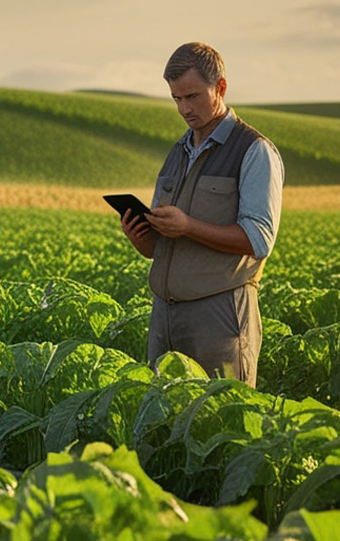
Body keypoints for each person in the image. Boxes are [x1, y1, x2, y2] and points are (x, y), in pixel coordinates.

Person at [119, 42, 283, 386]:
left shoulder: (254, 151)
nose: (183, 108)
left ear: (220, 87)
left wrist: (189, 226)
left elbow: (258, 239)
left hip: (219, 316)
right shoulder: (177, 152)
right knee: (163, 420)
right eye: (176, 98)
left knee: (223, 420)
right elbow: (160, 247)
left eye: (192, 96)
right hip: (165, 315)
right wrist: (141, 237)